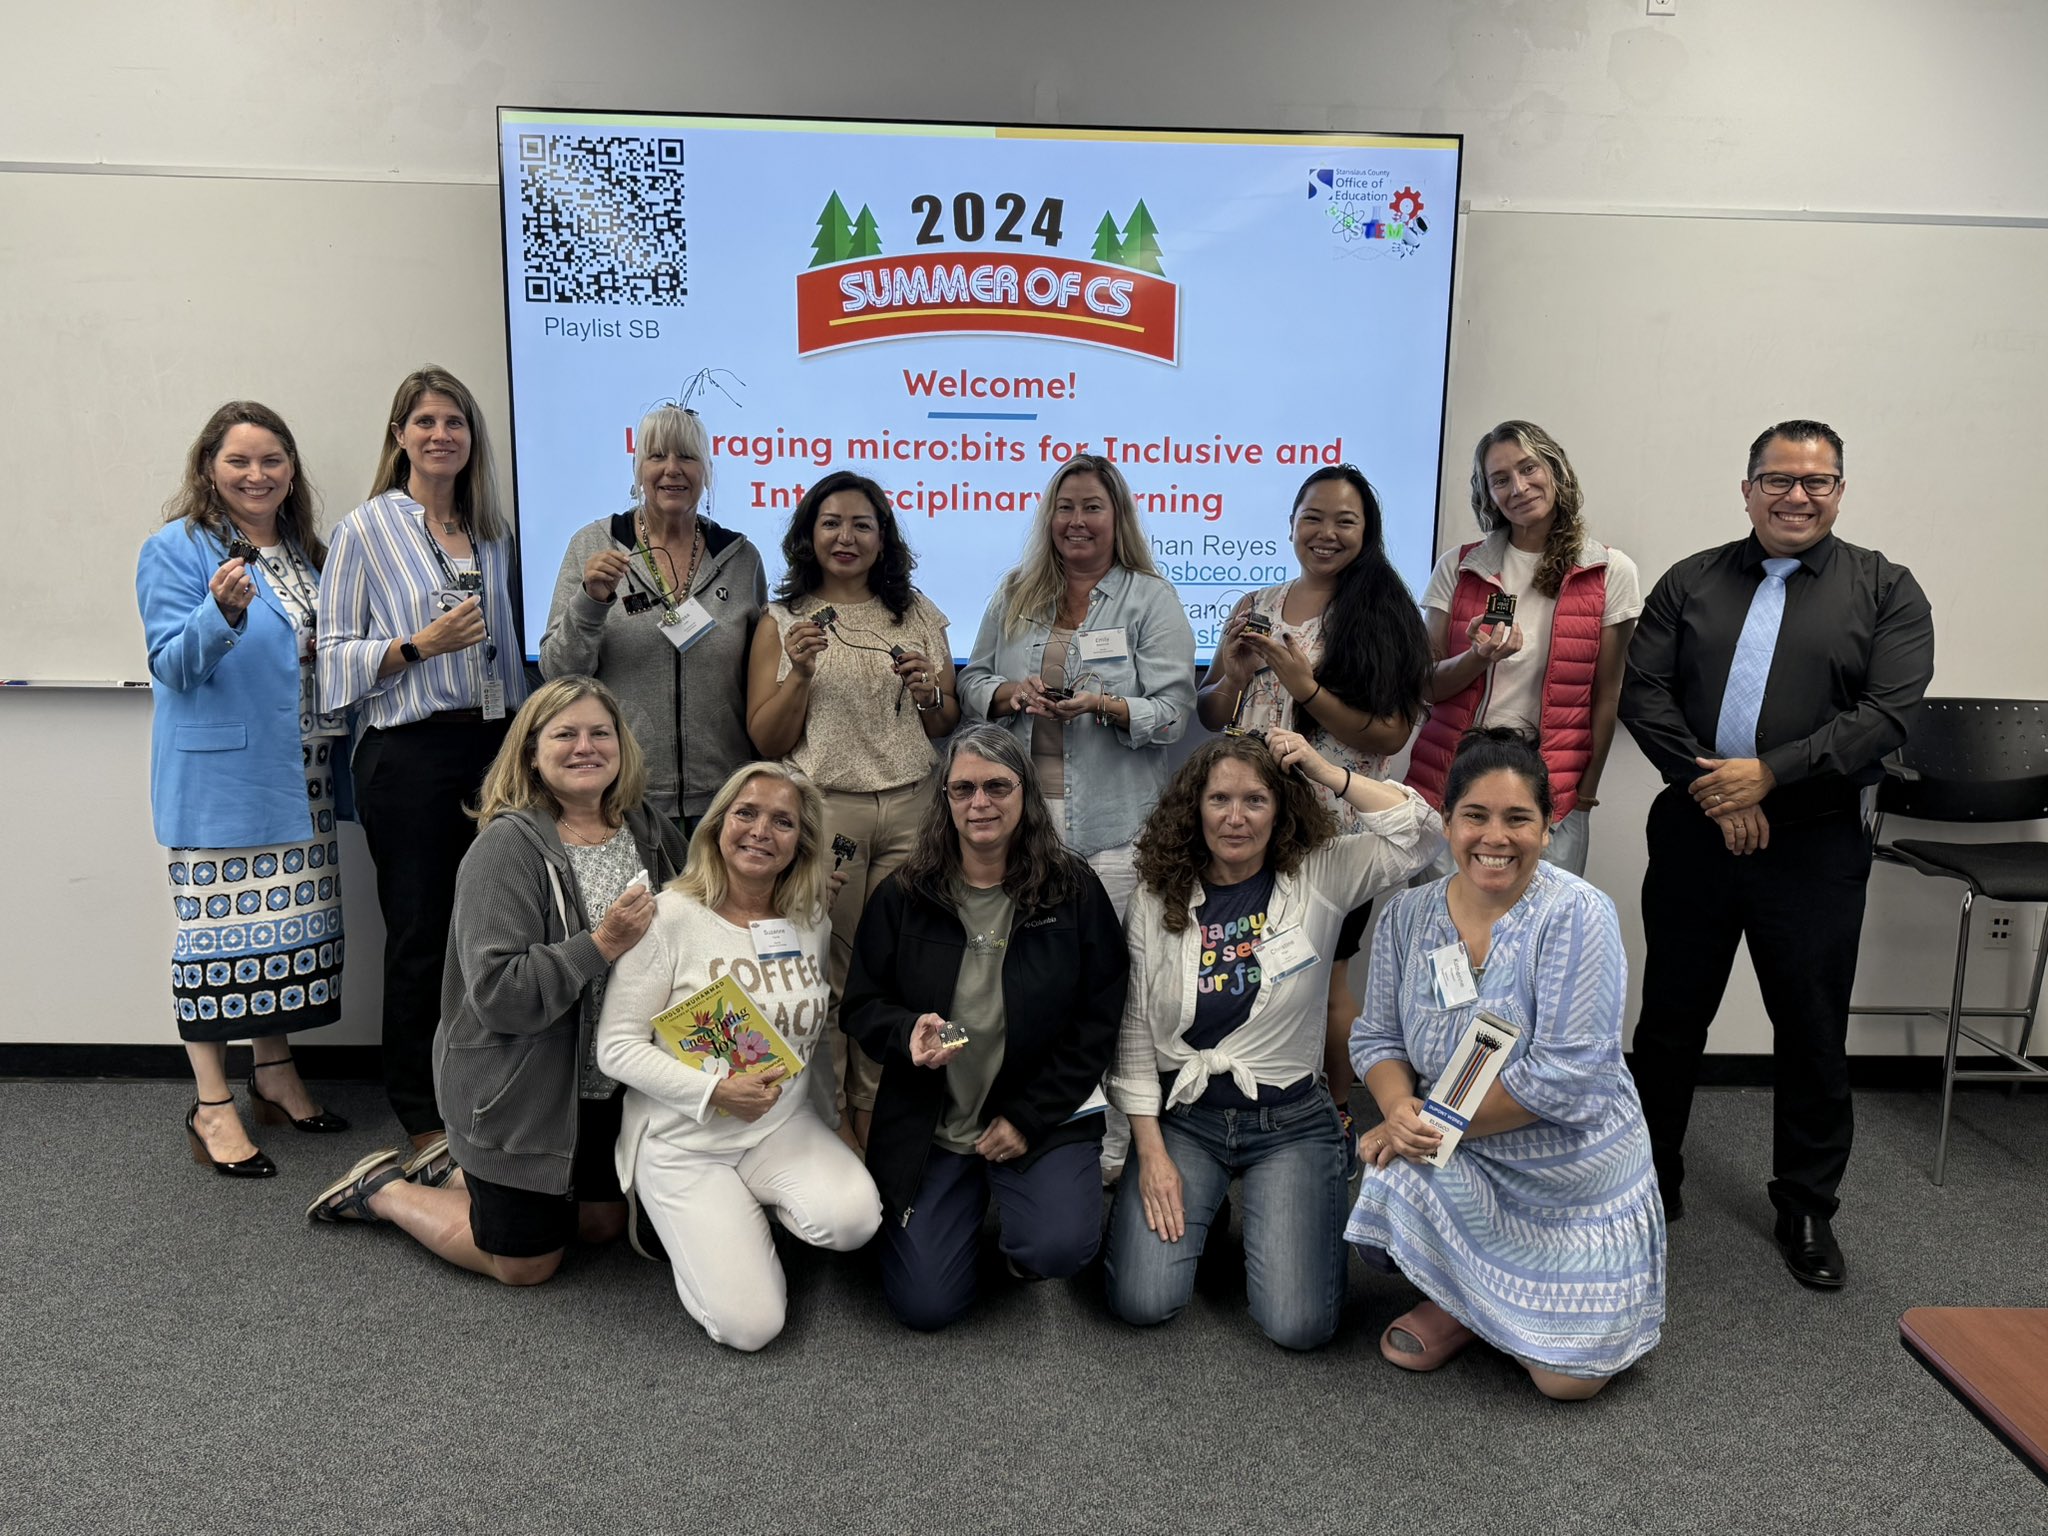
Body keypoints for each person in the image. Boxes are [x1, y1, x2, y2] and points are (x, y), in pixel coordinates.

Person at [1621, 419, 1934, 1288]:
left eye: (1816, 481)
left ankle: (1805, 1205)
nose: (1797, 496)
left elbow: (1887, 713)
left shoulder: (1889, 590)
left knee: (1810, 1028)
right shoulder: (1691, 580)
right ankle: (1651, 1181)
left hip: (1814, 840)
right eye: (1778, 479)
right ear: (1748, 487)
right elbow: (1644, 693)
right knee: (1670, 1019)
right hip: (1695, 829)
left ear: (1840, 490)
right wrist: (1718, 790)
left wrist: (1770, 776)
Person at [306, 678, 687, 1286]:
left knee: (601, 1227)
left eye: (600, 733)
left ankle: (456, 1169)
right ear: (531, 752)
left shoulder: (646, 827)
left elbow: (696, 912)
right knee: (527, 1264)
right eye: (564, 734)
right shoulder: (504, 848)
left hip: (608, 1085)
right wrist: (601, 945)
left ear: (622, 746)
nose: (585, 747)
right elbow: (500, 995)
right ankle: (382, 1190)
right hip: (521, 1087)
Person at [1347, 729, 1666, 1399]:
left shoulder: (1578, 914)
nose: (1495, 837)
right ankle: (1472, 1302)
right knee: (1390, 1175)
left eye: (1518, 818)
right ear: (1447, 823)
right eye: (1476, 816)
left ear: (1548, 828)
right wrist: (1399, 1109)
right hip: (1459, 1148)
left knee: (1566, 1384)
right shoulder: (1407, 915)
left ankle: (1475, 1303)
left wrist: (1426, 1128)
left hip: (1567, 1170)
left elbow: (1567, 1081)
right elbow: (1378, 1039)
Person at [1104, 730, 1442, 1349]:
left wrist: (1325, 770)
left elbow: (1420, 834)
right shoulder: (1156, 895)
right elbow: (1131, 1037)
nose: (1235, 817)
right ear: (1195, 807)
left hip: (1291, 1121)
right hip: (1187, 1120)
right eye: (1219, 799)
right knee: (1142, 1301)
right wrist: (1149, 1154)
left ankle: (1258, 1197)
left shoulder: (1320, 872)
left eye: (1255, 800)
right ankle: (1208, 1206)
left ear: (1281, 809)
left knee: (1299, 1326)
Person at [841, 725, 1128, 1331]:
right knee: (925, 1307)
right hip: (933, 1120)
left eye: (998, 786)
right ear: (944, 798)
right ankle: (960, 1210)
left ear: (1026, 794)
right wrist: (905, 1032)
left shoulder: (1073, 889)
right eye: (964, 788)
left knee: (1057, 1248)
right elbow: (861, 1006)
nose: (980, 803)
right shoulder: (904, 893)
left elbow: (1099, 1017)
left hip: (1041, 1113)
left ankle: (1023, 1228)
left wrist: (1029, 1117)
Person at [594, 763, 882, 1350]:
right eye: (746, 813)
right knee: (751, 1328)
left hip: (780, 1127)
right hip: (683, 1142)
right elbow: (615, 1048)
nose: (760, 831)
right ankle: (684, 1218)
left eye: (782, 822)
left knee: (854, 1220)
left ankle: (745, 1208)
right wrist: (715, 1091)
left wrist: (834, 1123)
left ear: (800, 843)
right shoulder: (668, 917)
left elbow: (814, 1036)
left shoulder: (809, 920)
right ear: (717, 823)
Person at [318, 366, 530, 1150]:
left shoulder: (492, 533)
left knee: (495, 931)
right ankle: (420, 1112)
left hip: (495, 749)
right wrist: (416, 647)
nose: (441, 435)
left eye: (455, 422)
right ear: (400, 435)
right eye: (426, 421)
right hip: (409, 754)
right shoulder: (365, 530)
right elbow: (331, 661)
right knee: (421, 935)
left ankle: (486, 1087)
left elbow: (510, 649)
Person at [137, 401, 350, 1174]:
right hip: (223, 778)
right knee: (216, 946)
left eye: (272, 460)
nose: (257, 475)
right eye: (239, 461)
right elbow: (172, 666)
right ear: (209, 468)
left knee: (283, 938)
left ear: (291, 471)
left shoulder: (304, 551)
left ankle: (274, 1074)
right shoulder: (175, 548)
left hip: (304, 774)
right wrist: (220, 613)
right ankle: (212, 1106)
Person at [1195, 465, 1430, 1122]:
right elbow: (1211, 715)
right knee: (1256, 974)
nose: (1326, 533)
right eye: (1313, 519)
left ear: (1367, 531)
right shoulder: (1254, 604)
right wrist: (1232, 678)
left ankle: (1337, 1112)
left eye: (1344, 521)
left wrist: (1307, 689)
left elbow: (1390, 732)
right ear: (1292, 525)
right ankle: (1256, 1103)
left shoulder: (1382, 614)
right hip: (1249, 827)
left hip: (1334, 832)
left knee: (1326, 980)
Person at [745, 471, 958, 1148]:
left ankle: (879, 1112)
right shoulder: (783, 621)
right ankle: (832, 1123)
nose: (846, 537)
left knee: (897, 967)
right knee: (830, 971)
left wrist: (929, 694)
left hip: (912, 809)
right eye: (831, 523)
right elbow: (767, 740)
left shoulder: (917, 614)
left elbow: (944, 722)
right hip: (825, 812)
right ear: (809, 535)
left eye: (862, 524)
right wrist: (802, 675)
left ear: (883, 537)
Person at [957, 453, 1196, 917]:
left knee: (1111, 956)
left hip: (1116, 833)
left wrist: (1102, 706)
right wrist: (1012, 694)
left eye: (1092, 507)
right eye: (1064, 508)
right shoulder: (1015, 592)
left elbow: (1172, 716)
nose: (1076, 521)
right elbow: (972, 683)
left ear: (1118, 517)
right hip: (1019, 823)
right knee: (1027, 952)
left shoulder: (1151, 598)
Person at [1405, 422, 1641, 876]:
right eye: (1500, 479)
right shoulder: (1459, 567)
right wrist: (1478, 657)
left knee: (1543, 922)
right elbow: (1427, 686)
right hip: (1450, 790)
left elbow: (1606, 695)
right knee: (1441, 921)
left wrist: (1585, 796)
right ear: (1487, 494)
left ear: (1555, 469)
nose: (1518, 487)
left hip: (1551, 797)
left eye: (1528, 468)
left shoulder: (1609, 571)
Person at [540, 401, 767, 831]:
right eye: (657, 455)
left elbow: (760, 681)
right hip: (621, 794)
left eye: (687, 457)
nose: (672, 469)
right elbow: (559, 675)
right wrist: (591, 601)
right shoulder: (593, 545)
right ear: (638, 469)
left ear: (706, 471)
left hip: (723, 800)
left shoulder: (741, 558)